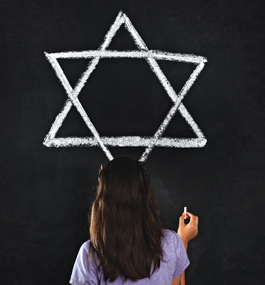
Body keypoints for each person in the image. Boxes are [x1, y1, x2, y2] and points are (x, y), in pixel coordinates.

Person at [69, 157, 199, 285]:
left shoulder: (90, 254)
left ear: (102, 203)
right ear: (146, 197)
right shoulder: (172, 242)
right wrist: (182, 242)